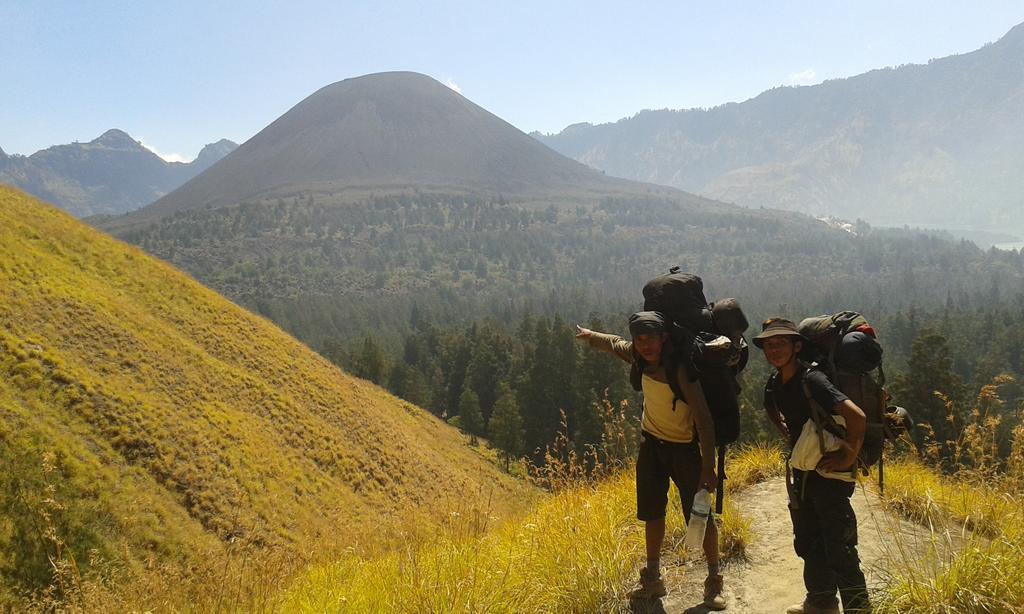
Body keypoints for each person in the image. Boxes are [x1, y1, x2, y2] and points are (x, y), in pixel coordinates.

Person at [576, 311, 726, 610]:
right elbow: (615, 344)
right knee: (651, 512)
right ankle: (653, 577)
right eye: (640, 339)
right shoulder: (639, 357)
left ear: (664, 338)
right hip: (651, 446)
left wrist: (708, 467)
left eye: (651, 339)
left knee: (700, 515)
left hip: (684, 450)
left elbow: (705, 421)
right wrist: (591, 336)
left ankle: (713, 581)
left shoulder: (680, 370)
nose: (645, 345)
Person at [753, 318, 871, 614]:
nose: (773, 349)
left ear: (797, 346)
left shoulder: (813, 380)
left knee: (839, 546)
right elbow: (777, 416)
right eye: (768, 344)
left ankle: (859, 609)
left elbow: (857, 418)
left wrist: (848, 456)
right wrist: (799, 448)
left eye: (780, 343)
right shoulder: (775, 383)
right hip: (804, 473)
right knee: (809, 540)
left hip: (831, 474)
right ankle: (820, 602)